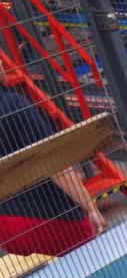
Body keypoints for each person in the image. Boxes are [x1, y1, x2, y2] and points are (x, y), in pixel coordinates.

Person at [0, 81, 107, 258]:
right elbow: (54, 164)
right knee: (92, 262)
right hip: (48, 217)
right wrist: (90, 207)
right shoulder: (15, 104)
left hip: (5, 225)